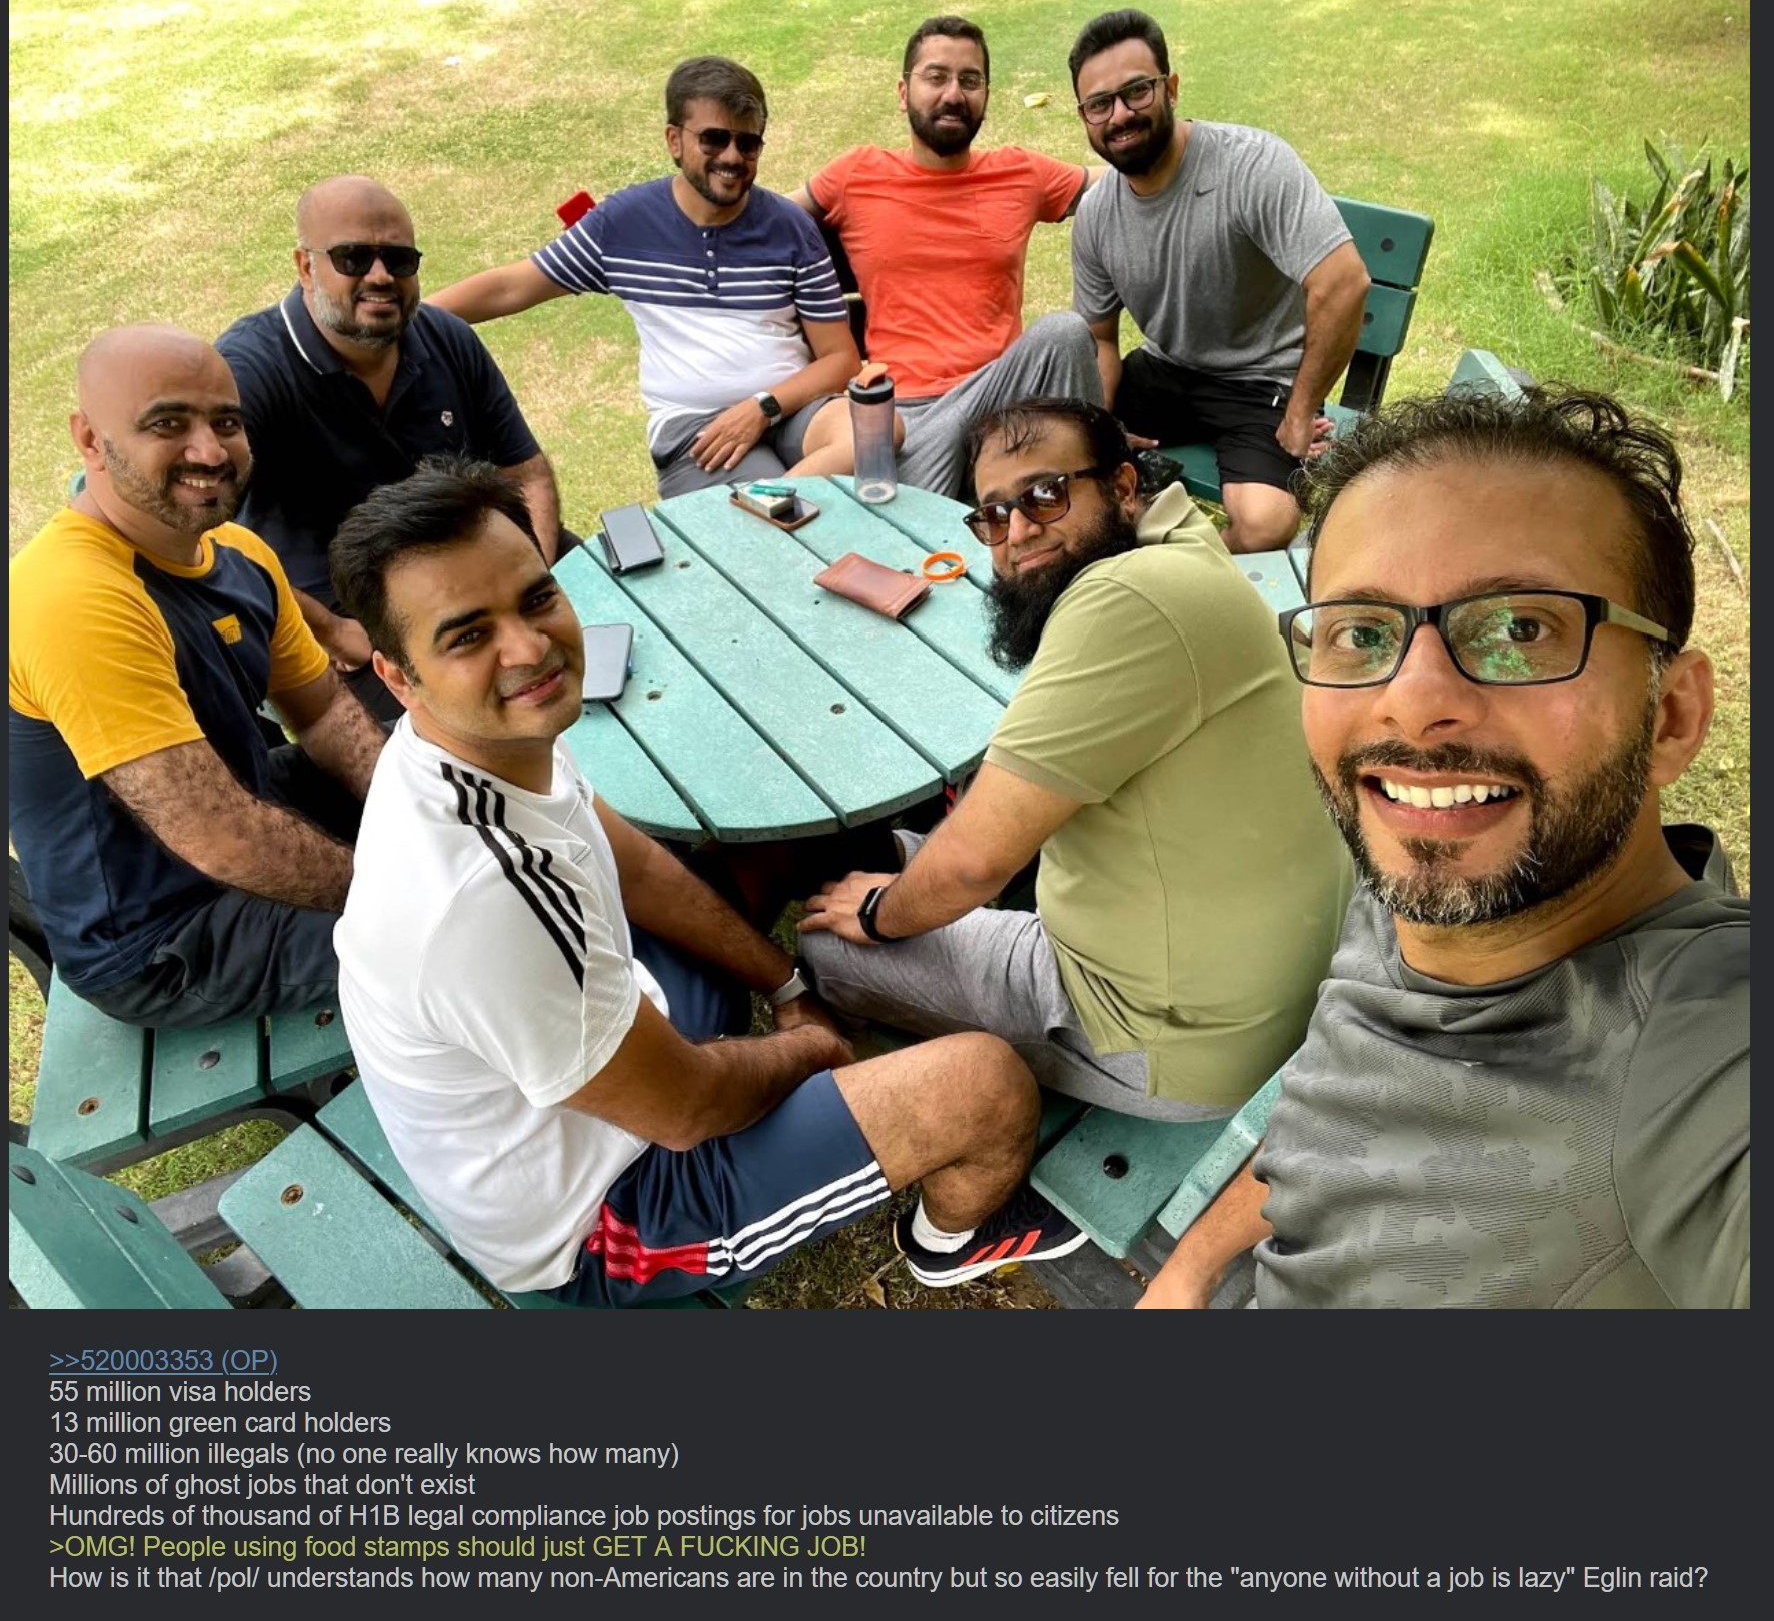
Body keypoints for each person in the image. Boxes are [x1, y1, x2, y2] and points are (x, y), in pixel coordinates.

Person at [326, 456, 1089, 1301]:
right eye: (468, 635)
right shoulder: (481, 899)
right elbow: (687, 1110)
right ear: (396, 677)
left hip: (613, 1050)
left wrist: (787, 983)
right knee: (987, 1088)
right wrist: (813, 1048)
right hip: (603, 1215)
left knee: (787, 838)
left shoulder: (488, 744)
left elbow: (636, 866)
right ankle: (950, 1240)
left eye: (536, 598)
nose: (530, 647)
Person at [1139, 387, 1749, 1310]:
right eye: (1361, 632)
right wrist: (1187, 1272)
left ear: (1670, 716)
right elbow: (1328, 1125)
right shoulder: (1432, 866)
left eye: (1520, 629)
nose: (1413, 703)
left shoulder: (1696, 1075)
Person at [797, 397, 1351, 1122]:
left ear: (1121, 486)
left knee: (832, 949)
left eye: (1046, 495)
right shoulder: (1178, 541)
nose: (1019, 531)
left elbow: (973, 866)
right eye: (994, 515)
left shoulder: (1120, 599)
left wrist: (878, 915)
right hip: (1265, 983)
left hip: (1173, 1039)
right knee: (913, 857)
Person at [7, 324, 387, 1027]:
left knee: (439, 768)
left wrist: (426, 806)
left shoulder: (238, 552)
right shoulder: (72, 597)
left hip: (244, 804)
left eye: (227, 423)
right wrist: (395, 894)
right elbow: (220, 837)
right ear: (90, 439)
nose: (209, 452)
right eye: (168, 424)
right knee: (447, 940)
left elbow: (326, 714)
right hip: (161, 936)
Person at [430, 56, 863, 502]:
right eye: (714, 139)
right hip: (698, 428)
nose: (732, 157)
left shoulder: (790, 227)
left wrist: (761, 407)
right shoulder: (624, 224)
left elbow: (840, 359)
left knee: (873, 431)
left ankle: (764, 505)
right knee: (787, 516)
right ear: (674, 140)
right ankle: (766, 508)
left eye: (748, 143)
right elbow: (512, 287)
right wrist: (414, 317)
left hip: (790, 407)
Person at [216, 175, 568, 718]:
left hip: (479, 568)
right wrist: (330, 631)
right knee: (466, 737)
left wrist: (535, 578)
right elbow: (205, 536)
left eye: (399, 260)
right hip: (358, 617)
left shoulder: (446, 336)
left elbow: (527, 473)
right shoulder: (250, 373)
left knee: (621, 640)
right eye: (354, 258)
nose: (381, 276)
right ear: (306, 266)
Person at [1066, 9, 1372, 553]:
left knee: (1265, 524)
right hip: (1165, 371)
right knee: (1065, 461)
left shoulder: (1251, 166)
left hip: (1262, 380)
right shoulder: (1096, 214)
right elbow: (1100, 339)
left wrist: (1301, 411)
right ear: (1085, 116)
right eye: (1099, 104)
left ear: (1170, 88)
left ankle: (1174, 571)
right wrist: (1105, 426)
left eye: (1136, 91)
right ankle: (1122, 563)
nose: (1120, 115)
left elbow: (1344, 283)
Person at [792, 15, 1105, 499]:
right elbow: (767, 220)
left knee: (1063, 333)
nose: (954, 94)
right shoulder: (855, 175)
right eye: (936, 77)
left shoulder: (1021, 173)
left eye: (970, 80)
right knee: (925, 528)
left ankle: (1102, 487)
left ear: (986, 96)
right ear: (903, 93)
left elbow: (1123, 179)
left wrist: (1190, 143)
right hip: (909, 417)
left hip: (1001, 400)